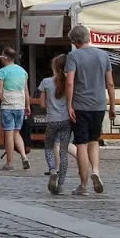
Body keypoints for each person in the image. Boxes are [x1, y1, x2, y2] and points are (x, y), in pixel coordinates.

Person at [65, 24, 117, 197]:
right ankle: (95, 170)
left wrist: (69, 105)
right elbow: (110, 83)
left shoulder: (73, 56)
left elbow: (70, 82)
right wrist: (112, 106)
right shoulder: (103, 55)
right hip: (99, 105)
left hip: (81, 105)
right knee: (94, 140)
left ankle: (83, 184)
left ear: (75, 41)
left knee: (81, 144)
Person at [36, 53, 72, 195]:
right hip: (66, 120)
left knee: (49, 147)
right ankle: (61, 185)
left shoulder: (46, 82)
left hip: (52, 120)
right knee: (64, 152)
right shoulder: (69, 82)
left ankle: (52, 169)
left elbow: (43, 105)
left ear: (54, 67)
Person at [0, 47, 30, 171]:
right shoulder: (23, 72)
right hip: (20, 105)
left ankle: (9, 163)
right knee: (16, 133)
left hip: (8, 105)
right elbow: (26, 90)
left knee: (8, 134)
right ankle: (24, 156)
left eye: (1, 57)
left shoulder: (2, 72)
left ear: (5, 57)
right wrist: (27, 105)